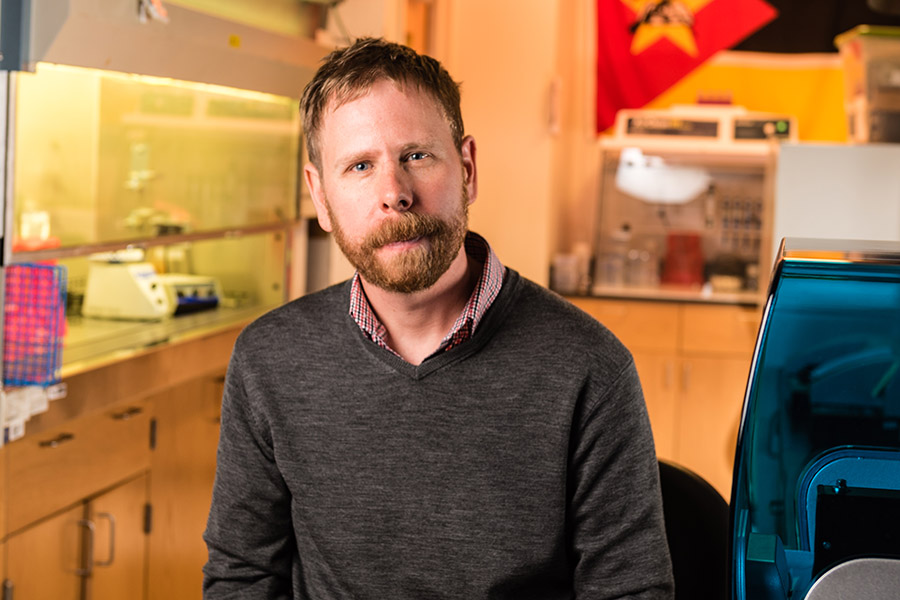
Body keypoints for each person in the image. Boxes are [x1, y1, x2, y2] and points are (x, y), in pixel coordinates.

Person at [203, 37, 674, 599]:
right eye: (359, 165)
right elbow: (241, 579)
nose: (394, 194)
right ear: (320, 197)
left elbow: (629, 590)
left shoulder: (591, 368)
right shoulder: (269, 360)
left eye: (417, 156)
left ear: (468, 168)